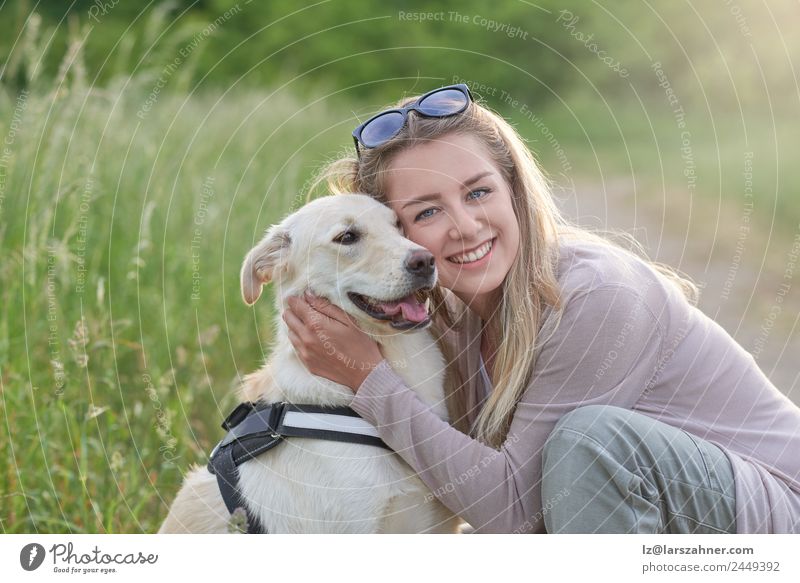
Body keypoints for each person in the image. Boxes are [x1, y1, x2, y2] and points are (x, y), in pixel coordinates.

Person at [281, 83, 800, 533]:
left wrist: (368, 379)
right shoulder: (445, 322)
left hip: (775, 526)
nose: (463, 225)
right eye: (428, 211)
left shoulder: (597, 295)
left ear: (515, 193)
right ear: (400, 234)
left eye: (478, 192)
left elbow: (514, 517)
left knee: (587, 441)